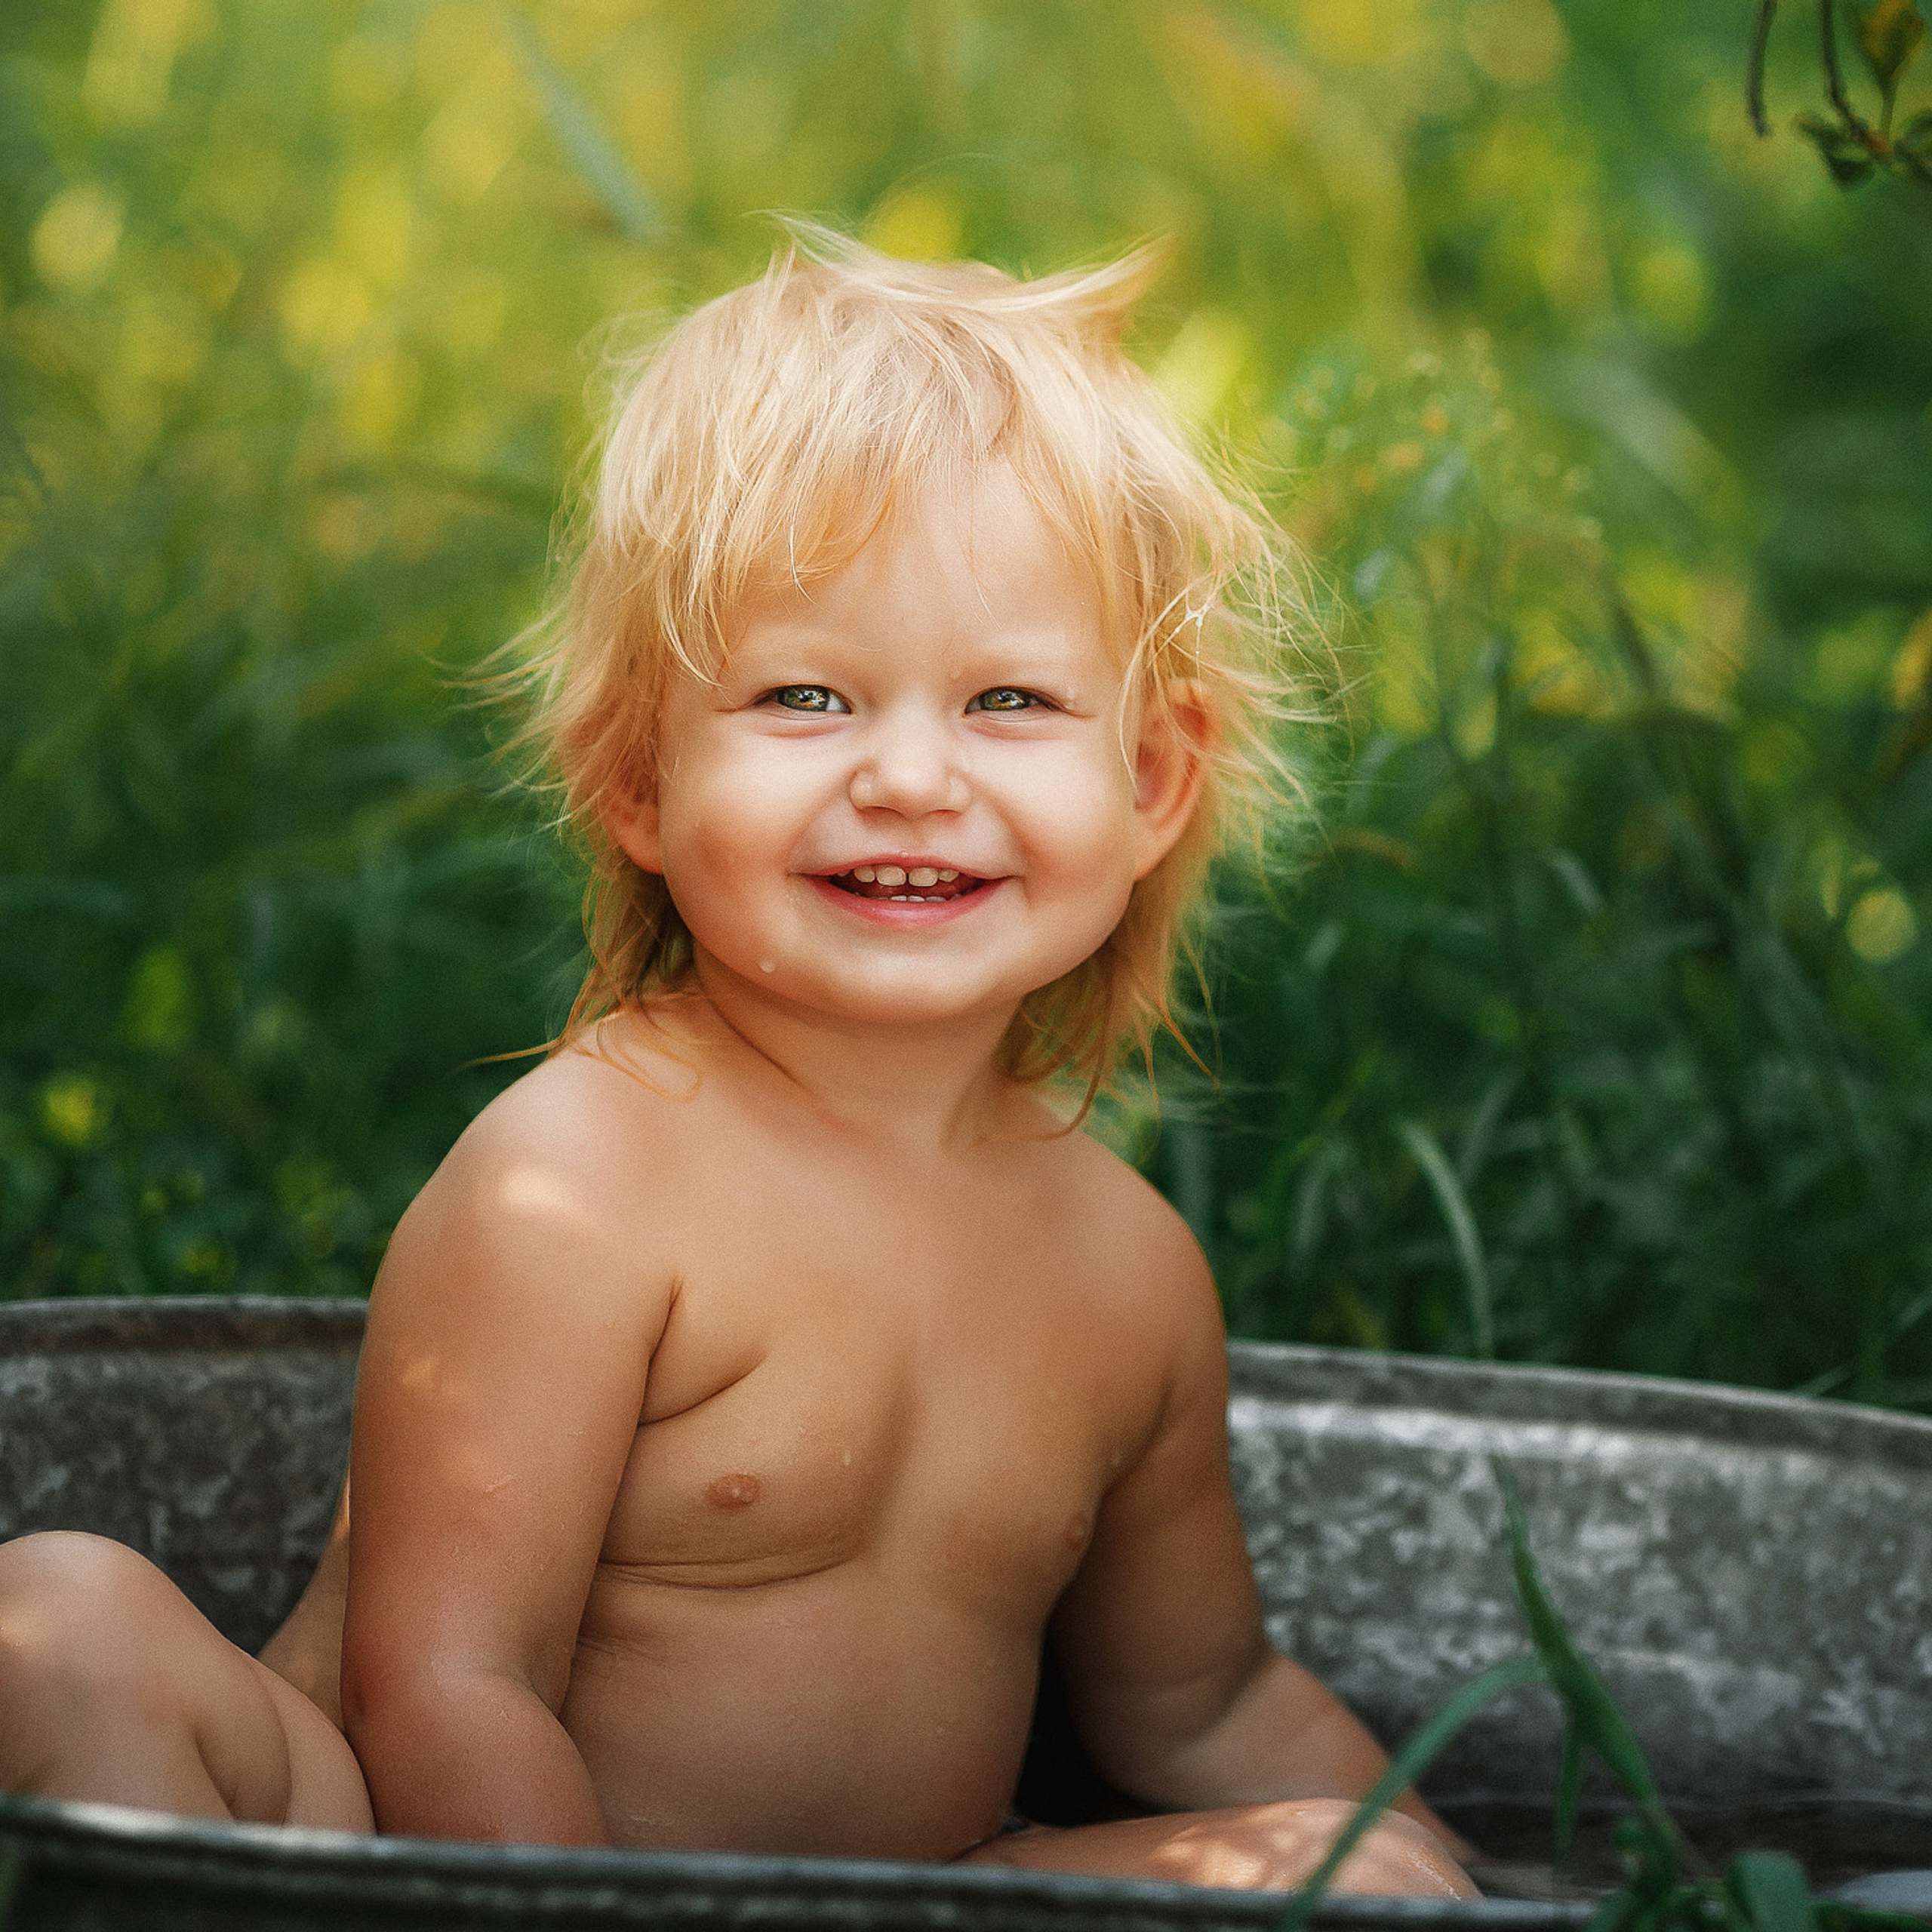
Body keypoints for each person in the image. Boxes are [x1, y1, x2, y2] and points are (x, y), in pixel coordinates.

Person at [0, 236, 1475, 1899]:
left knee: (1352, 1874)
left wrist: (1491, 1862)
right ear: (639, 774)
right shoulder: (580, 1183)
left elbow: (1203, 1704)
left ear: (1147, 779)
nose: (909, 775)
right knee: (55, 1623)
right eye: (804, 694)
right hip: (392, 1862)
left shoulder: (1126, 1271)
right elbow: (445, 1688)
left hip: (912, 1886)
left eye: (1005, 698)